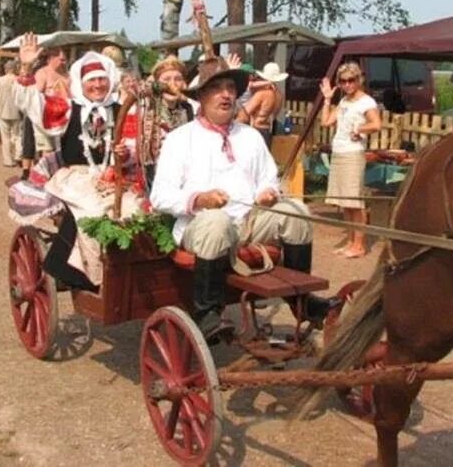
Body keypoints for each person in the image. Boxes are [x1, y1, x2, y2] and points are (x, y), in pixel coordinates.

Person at [150, 56, 330, 339]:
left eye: (230, 88)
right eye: (217, 88)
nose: (226, 94)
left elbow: (269, 179)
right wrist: (199, 199)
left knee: (296, 211)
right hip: (201, 228)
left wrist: (268, 193)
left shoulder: (250, 137)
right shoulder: (180, 139)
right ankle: (207, 314)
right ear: (201, 96)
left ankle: (301, 302)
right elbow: (160, 196)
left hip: (248, 222)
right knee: (216, 221)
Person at [8, 33, 137, 291]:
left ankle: (128, 273)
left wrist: (124, 156)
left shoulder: (122, 108)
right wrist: (26, 67)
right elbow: (29, 103)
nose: (98, 85)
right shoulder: (68, 108)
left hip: (115, 176)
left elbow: (133, 143)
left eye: (102, 79)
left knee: (137, 210)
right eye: (92, 81)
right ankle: (80, 274)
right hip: (76, 176)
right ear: (82, 83)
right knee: (92, 213)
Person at [319, 62, 382, 258]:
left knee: (355, 201)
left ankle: (360, 245)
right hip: (339, 151)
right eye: (343, 81)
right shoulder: (344, 101)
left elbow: (377, 124)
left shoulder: (367, 102)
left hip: (353, 154)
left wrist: (359, 129)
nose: (347, 85)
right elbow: (326, 122)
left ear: (359, 80)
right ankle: (351, 242)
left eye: (351, 80)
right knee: (345, 202)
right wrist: (328, 100)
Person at [137, 56, 195, 185]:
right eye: (166, 79)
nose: (172, 84)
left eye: (178, 79)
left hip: (183, 176)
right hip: (153, 177)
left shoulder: (188, 109)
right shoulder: (145, 108)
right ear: (157, 84)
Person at [237, 61, 287, 146]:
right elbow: (274, 114)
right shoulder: (279, 95)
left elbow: (244, 114)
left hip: (256, 130)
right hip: (267, 131)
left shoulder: (262, 94)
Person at [0, 60, 23, 167]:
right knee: (18, 135)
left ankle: (8, 160)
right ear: (14, 68)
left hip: (4, 111)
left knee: (5, 137)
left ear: (6, 68)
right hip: (17, 112)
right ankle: (19, 154)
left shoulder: (0, 80)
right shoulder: (18, 80)